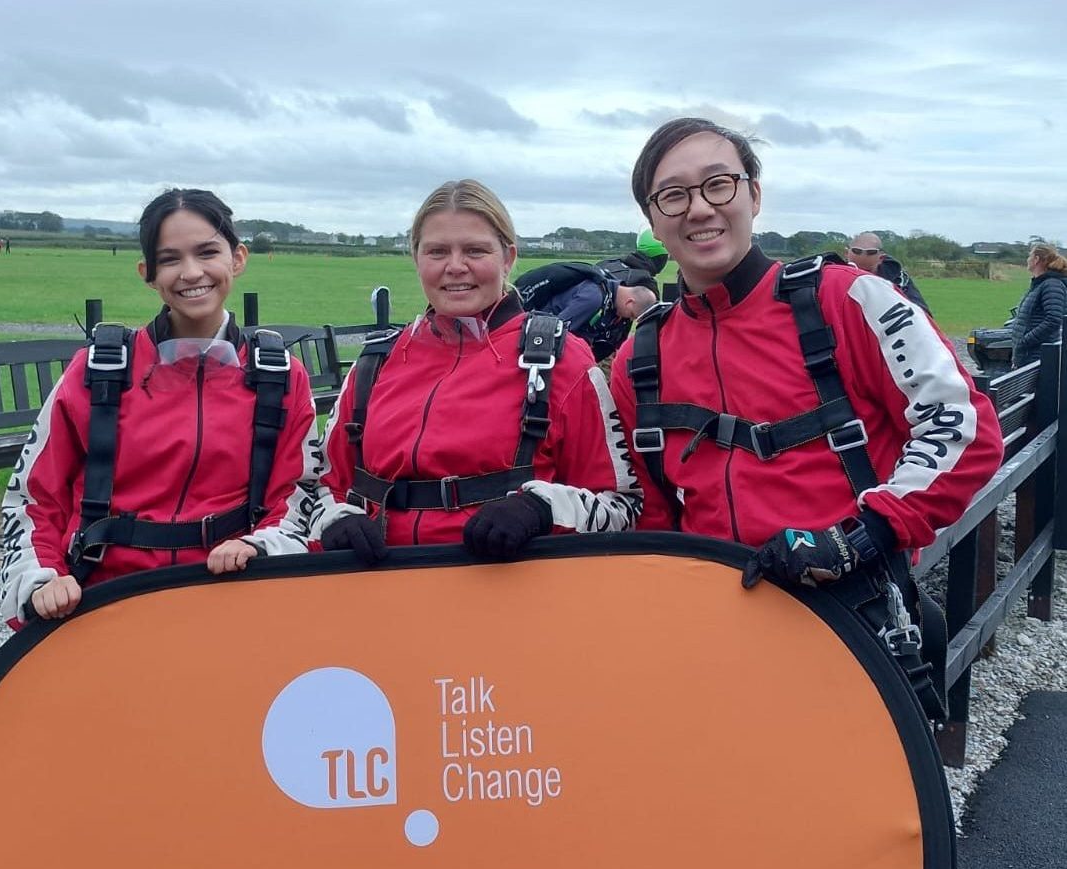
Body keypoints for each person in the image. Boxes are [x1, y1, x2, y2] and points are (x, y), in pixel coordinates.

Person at [610, 117, 1002, 606]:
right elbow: (647, 503)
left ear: (753, 195)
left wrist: (867, 535)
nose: (700, 208)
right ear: (653, 220)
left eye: (718, 184)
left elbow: (961, 427)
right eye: (673, 195)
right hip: (706, 616)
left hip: (849, 610)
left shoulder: (849, 300)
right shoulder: (640, 355)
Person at [0, 188, 320, 627]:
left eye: (207, 252)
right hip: (102, 600)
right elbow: (34, 496)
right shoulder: (98, 372)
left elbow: (299, 491)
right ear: (147, 274)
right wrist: (43, 580)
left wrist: (261, 545)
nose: (191, 273)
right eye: (170, 259)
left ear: (238, 258)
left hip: (230, 600)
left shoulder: (280, 377)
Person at [311, 178, 641, 563]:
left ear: (508, 258)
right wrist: (334, 519)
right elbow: (317, 486)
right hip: (382, 594)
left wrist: (543, 509)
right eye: (437, 252)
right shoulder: (374, 363)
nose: (455, 266)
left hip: (513, 598)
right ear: (416, 259)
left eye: (475, 250)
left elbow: (623, 507)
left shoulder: (561, 361)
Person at [514, 257, 659, 364]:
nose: (629, 319)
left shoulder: (607, 292)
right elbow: (557, 332)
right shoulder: (593, 298)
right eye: (632, 315)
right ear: (629, 302)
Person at [1010, 242, 1067, 368]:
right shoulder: (1040, 284)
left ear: (1036, 260)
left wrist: (1025, 341)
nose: (1027, 259)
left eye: (1030, 256)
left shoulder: (1051, 284)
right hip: (1029, 355)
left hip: (1036, 355)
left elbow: (1053, 320)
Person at [846, 232, 929, 313]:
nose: (862, 276)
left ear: (881, 258)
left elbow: (921, 314)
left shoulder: (899, 279)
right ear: (846, 254)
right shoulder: (836, 278)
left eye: (867, 271)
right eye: (855, 270)